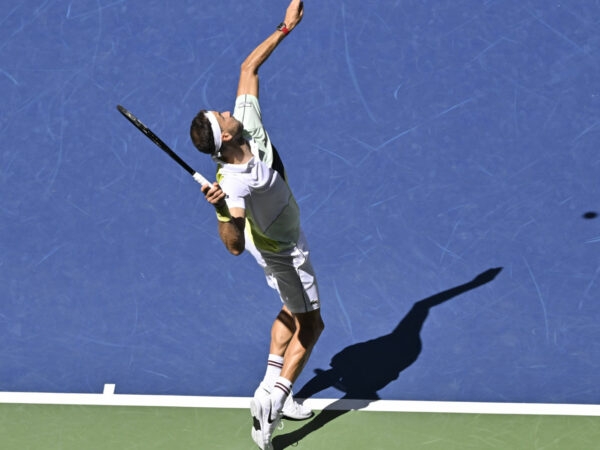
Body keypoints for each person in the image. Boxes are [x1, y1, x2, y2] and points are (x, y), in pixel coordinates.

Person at [189, 1, 324, 449]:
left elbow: (249, 66)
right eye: (222, 116)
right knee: (313, 326)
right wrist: (222, 210)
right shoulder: (237, 184)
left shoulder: (243, 126)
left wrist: (285, 28)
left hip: (268, 235)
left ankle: (272, 379)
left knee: (290, 308)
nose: (228, 111)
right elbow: (232, 245)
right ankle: (271, 402)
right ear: (224, 135)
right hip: (284, 249)